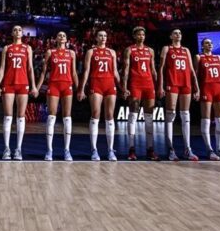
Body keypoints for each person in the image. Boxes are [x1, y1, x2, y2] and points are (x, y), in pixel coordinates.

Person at [0, 26, 38, 160]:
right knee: (8, 116)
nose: (17, 31)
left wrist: (34, 86)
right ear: (12, 33)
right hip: (8, 83)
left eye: (19, 30)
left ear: (22, 33)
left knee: (21, 116)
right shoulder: (7, 48)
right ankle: (6, 148)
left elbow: (30, 68)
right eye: (15, 30)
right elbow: (2, 68)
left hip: (23, 83)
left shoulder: (27, 48)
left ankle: (18, 149)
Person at [158, 29, 200, 161]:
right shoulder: (167, 48)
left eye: (180, 33)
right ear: (171, 36)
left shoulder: (186, 50)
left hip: (186, 84)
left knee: (185, 115)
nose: (178, 35)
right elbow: (161, 68)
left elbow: (192, 70)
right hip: (173, 83)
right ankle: (171, 149)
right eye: (175, 33)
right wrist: (160, 86)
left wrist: (197, 87)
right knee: (170, 114)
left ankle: (188, 149)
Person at [78, 30, 120, 161]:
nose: (103, 37)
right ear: (96, 38)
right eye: (100, 35)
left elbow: (115, 71)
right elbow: (86, 71)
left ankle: (110, 150)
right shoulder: (91, 52)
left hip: (110, 84)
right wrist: (81, 89)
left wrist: (122, 87)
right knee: (95, 113)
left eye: (105, 36)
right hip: (96, 84)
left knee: (110, 115)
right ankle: (94, 149)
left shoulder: (112, 52)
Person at [36, 32, 79, 161]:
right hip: (54, 85)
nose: (61, 37)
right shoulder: (50, 52)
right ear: (56, 38)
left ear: (67, 39)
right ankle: (49, 150)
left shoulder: (71, 53)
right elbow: (43, 72)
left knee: (67, 117)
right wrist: (37, 88)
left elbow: (74, 73)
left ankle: (67, 150)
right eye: (59, 35)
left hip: (67, 85)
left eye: (64, 35)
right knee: (51, 116)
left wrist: (80, 89)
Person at [122, 27, 159, 161]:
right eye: (138, 34)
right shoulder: (129, 50)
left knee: (149, 117)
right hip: (135, 84)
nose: (141, 36)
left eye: (143, 34)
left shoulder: (150, 50)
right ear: (134, 36)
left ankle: (150, 149)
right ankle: (131, 149)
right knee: (133, 115)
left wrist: (158, 86)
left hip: (149, 85)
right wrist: (124, 87)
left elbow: (153, 70)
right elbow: (126, 70)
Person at [194, 38, 220, 160]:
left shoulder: (218, 57)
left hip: (219, 89)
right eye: (207, 43)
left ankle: (219, 149)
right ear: (202, 46)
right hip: (206, 89)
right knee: (206, 119)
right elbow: (195, 75)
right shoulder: (199, 57)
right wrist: (197, 90)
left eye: (211, 43)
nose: (210, 44)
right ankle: (209, 149)